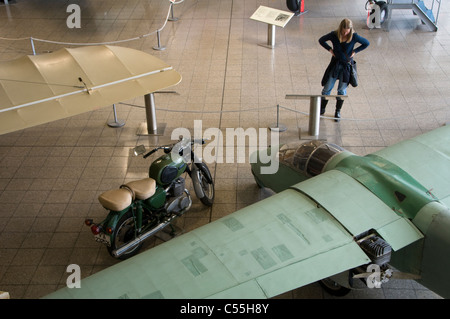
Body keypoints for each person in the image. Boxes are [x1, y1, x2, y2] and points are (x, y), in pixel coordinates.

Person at [319, 18, 369, 121]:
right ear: (340, 28)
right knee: (327, 87)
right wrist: (330, 50)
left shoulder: (354, 36)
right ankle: (322, 108)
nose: (346, 33)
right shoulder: (334, 35)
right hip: (335, 64)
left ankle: (337, 111)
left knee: (342, 90)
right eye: (344, 30)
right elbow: (321, 40)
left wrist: (355, 51)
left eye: (348, 31)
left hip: (346, 66)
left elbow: (366, 43)